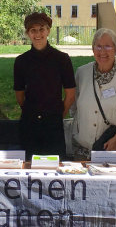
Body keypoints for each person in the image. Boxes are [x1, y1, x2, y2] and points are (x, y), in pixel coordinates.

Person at [70, 28, 116, 160]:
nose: (102, 51)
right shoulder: (82, 73)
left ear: (115, 49)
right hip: (82, 150)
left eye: (108, 46)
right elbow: (74, 108)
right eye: (98, 46)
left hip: (114, 150)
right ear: (93, 49)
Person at [13, 12, 75, 158]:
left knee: (54, 168)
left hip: (53, 124)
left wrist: (57, 115)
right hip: (30, 124)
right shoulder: (21, 62)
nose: (38, 34)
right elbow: (20, 95)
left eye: (41, 29)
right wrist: (33, 112)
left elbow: (70, 94)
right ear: (28, 33)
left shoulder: (62, 59)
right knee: (29, 168)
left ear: (48, 31)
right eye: (33, 30)